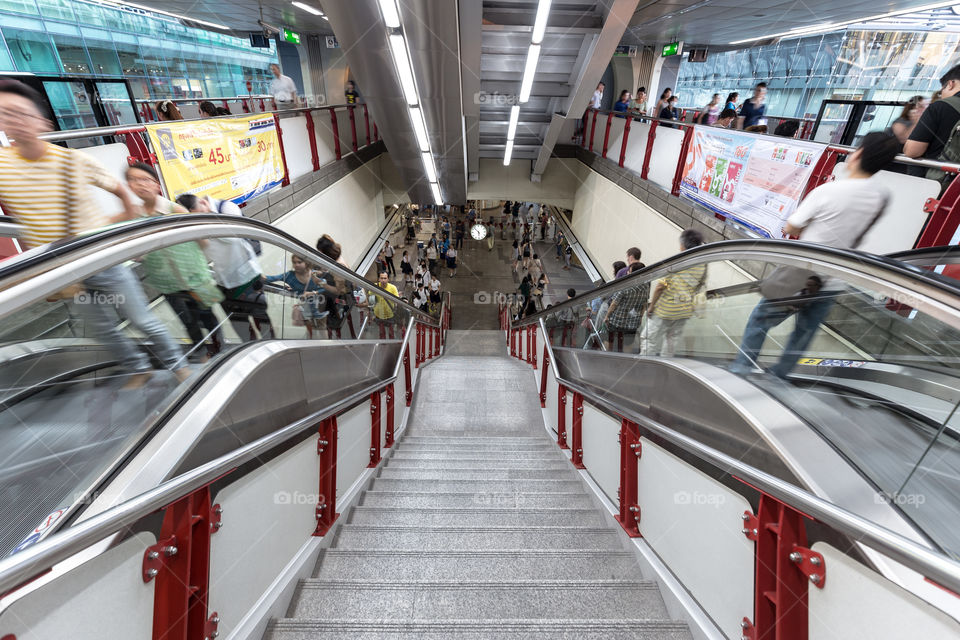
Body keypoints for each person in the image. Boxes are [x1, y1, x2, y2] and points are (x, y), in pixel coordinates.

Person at [0, 79, 187, 388]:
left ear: (42, 121)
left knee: (142, 319)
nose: (15, 122)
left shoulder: (74, 161)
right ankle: (139, 368)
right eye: (6, 115)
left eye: (21, 113)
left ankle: (180, 368)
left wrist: (112, 231)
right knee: (104, 329)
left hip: (101, 261)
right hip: (63, 274)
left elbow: (124, 196)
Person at [728, 132, 900, 378]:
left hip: (801, 275)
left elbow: (791, 226)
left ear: (859, 153)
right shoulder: (882, 197)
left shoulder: (829, 190)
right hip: (835, 279)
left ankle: (741, 370)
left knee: (760, 320)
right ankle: (779, 378)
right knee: (804, 333)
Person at [177, 193, 274, 342]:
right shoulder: (197, 225)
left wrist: (203, 228)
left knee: (262, 322)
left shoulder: (227, 208)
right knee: (241, 328)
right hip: (225, 283)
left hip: (248, 279)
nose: (197, 221)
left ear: (203, 203)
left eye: (198, 215)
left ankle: (273, 347)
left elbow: (235, 237)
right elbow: (207, 256)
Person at [643, 229, 706, 357]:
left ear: (682, 245)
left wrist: (651, 306)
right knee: (671, 341)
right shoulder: (702, 264)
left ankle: (644, 366)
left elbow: (660, 287)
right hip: (684, 311)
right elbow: (700, 285)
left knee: (649, 339)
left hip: (665, 310)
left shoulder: (676, 262)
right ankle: (664, 367)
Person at [904, 65, 960, 178]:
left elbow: (912, 151)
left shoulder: (940, 107)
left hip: (937, 182)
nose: (941, 96)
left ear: (950, 84)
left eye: (941, 91)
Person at [264, 255, 328, 338]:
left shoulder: (314, 274)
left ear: (306, 263)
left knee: (322, 330)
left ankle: (325, 347)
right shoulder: (290, 276)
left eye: (299, 262)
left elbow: (325, 287)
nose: (296, 265)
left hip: (319, 308)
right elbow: (271, 278)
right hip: (305, 309)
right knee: (311, 331)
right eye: (294, 262)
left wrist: (312, 293)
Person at [602, 262, 648, 352]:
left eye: (629, 272)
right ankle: (624, 362)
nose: (627, 273)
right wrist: (640, 317)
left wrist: (607, 316)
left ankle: (606, 357)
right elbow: (644, 305)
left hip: (617, 321)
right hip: (632, 322)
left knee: (609, 340)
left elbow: (614, 304)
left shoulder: (625, 286)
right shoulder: (645, 286)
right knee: (628, 344)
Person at [370, 271, 400, 339]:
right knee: (381, 332)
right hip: (379, 314)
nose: (383, 280)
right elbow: (370, 295)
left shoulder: (393, 288)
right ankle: (383, 344)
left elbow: (397, 300)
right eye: (381, 278)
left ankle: (391, 342)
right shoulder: (375, 286)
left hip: (390, 314)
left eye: (385, 278)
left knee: (391, 332)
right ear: (379, 279)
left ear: (388, 279)